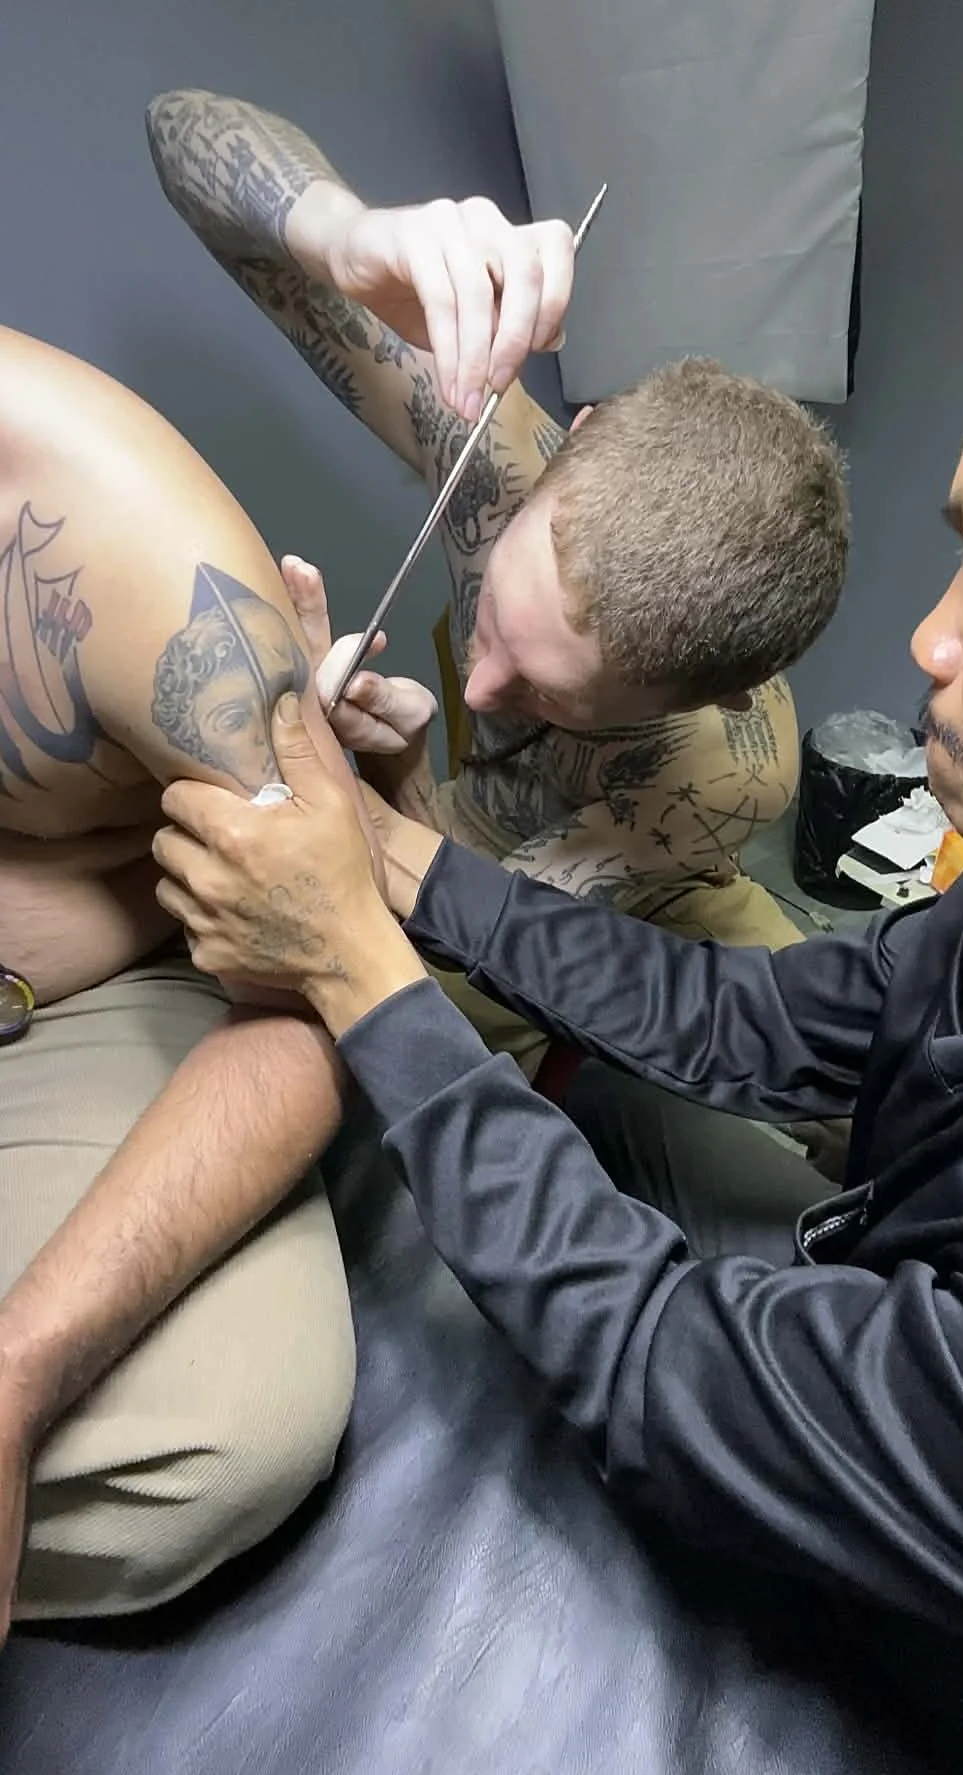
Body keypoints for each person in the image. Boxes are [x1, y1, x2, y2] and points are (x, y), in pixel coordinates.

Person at [154, 51, 963, 1775]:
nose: (931, 644)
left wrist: (353, 937)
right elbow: (759, 1018)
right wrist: (355, 235)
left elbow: (653, 1350)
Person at [0, 0, 565, 1775]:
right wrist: (341, 234)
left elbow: (336, 986)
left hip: (91, 1014)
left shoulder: (119, 542)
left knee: (221, 1431)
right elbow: (199, 141)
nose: (487, 671)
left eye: (537, 658)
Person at [145, 89, 849, 1083]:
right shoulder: (499, 465)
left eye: (548, 692)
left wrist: (351, 771)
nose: (481, 690)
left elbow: (461, 934)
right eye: (502, 630)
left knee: (827, 1084)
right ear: (583, 438)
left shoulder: (704, 779)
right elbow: (176, 130)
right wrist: (348, 236)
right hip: (487, 844)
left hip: (612, 882)